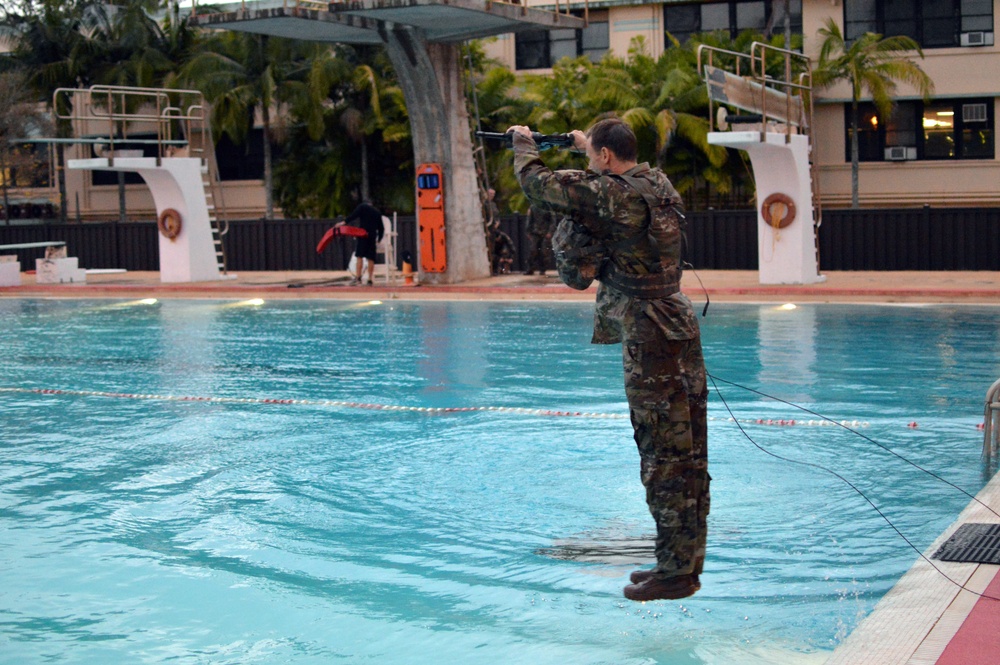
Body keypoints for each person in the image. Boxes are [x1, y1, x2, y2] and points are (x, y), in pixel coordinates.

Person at [508, 118, 709, 602]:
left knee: (662, 455)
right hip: (677, 323)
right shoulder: (653, 182)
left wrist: (522, 144)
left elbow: (538, 185)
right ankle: (677, 563)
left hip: (649, 332)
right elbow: (609, 183)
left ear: (603, 158)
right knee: (687, 452)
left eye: (595, 155)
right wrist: (586, 148)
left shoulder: (611, 194)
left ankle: (677, 574)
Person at [344, 200, 385, 285]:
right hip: (372, 236)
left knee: (360, 256)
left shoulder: (362, 207)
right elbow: (381, 228)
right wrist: (379, 239)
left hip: (363, 234)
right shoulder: (377, 212)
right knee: (371, 258)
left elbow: (353, 215)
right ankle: (370, 279)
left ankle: (358, 278)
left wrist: (344, 222)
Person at [524, 206, 555, 276]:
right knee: (533, 250)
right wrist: (528, 231)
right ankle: (530, 268)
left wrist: (550, 232)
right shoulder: (533, 207)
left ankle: (543, 269)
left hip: (545, 232)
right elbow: (529, 219)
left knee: (544, 251)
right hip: (535, 232)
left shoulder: (549, 206)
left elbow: (553, 221)